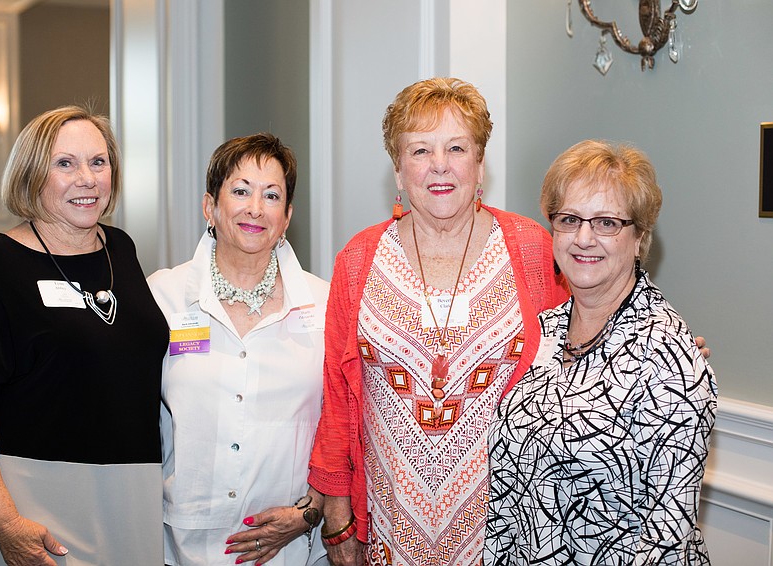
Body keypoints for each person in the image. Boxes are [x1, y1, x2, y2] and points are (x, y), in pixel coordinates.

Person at [307, 77, 571, 565]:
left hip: (512, 528)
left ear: (480, 162)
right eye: (420, 150)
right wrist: (339, 516)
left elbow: (585, 337)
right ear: (398, 170)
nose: (440, 165)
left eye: (456, 147)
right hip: (390, 525)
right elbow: (338, 395)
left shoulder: (534, 250)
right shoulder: (359, 259)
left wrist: (645, 348)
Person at [0, 106, 169, 565]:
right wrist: (6, 525)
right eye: (65, 163)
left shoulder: (121, 248)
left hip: (133, 497)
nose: (87, 178)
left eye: (98, 162)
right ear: (31, 174)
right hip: (37, 505)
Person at [483, 140, 717, 565]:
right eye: (569, 219)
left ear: (640, 235)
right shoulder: (545, 329)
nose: (583, 238)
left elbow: (665, 537)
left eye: (607, 222)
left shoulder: (669, 357)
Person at [148, 133, 330, 566]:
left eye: (271, 195)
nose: (254, 208)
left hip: (294, 543)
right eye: (240, 190)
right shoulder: (162, 296)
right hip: (185, 542)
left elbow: (342, 424)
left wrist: (310, 511)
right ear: (209, 206)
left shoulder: (324, 304)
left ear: (286, 217)